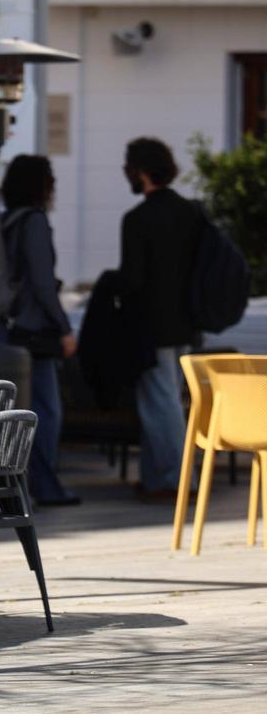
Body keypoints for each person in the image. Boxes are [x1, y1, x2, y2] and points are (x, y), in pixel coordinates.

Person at [120, 137, 202, 502]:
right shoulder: (192, 212)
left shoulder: (137, 219)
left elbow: (133, 280)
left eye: (128, 166)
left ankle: (176, 479)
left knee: (160, 402)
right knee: (171, 401)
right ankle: (156, 478)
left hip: (152, 326)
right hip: (189, 321)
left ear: (140, 169)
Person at [1, 155, 80, 507]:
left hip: (9, 329)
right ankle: (45, 486)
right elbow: (43, 283)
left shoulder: (4, 221)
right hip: (35, 331)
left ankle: (20, 484)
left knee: (21, 411)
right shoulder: (34, 222)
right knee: (47, 410)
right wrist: (64, 328)